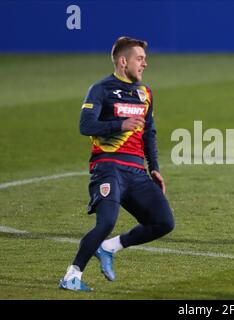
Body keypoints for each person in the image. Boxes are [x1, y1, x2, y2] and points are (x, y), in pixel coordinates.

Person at [59, 36, 175, 291]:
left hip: (136, 172)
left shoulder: (145, 94)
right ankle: (71, 275)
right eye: (140, 59)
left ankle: (109, 247)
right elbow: (85, 125)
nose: (145, 64)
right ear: (123, 61)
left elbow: (149, 132)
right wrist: (119, 125)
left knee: (164, 222)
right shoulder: (101, 89)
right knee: (106, 222)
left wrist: (154, 166)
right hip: (108, 167)